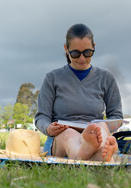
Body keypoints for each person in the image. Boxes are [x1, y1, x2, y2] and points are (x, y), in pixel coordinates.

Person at [35, 23, 123, 162]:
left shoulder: (106, 78)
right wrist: (48, 129)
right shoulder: (52, 78)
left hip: (94, 133)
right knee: (69, 134)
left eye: (87, 52)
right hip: (61, 137)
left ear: (94, 47)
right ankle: (86, 152)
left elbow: (116, 115)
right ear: (66, 49)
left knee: (100, 127)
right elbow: (41, 117)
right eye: (75, 53)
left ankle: (98, 152)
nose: (82, 59)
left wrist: (105, 126)